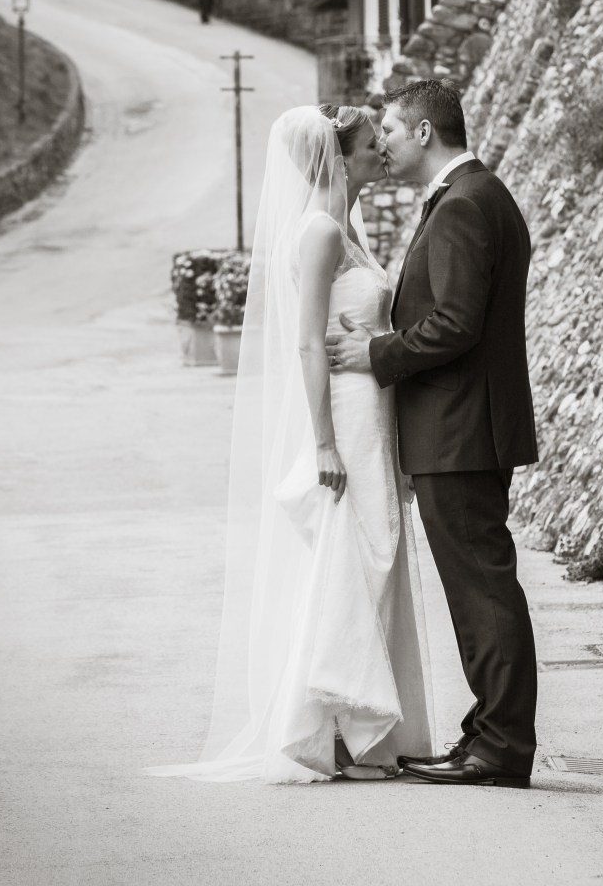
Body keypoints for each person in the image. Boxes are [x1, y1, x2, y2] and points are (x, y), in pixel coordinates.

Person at [146, 104, 434, 784]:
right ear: (341, 157)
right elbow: (306, 341)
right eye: (373, 143)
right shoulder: (320, 232)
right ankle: (331, 728)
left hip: (373, 410)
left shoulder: (345, 230)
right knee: (350, 559)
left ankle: (356, 727)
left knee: (374, 553)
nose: (382, 152)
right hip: (345, 417)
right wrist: (325, 445)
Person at [326, 79, 539, 788]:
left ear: (422, 132)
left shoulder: (465, 204)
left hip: (459, 430)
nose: (380, 141)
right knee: (481, 587)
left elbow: (453, 324)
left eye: (387, 127)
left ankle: (498, 748)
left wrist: (374, 355)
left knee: (481, 590)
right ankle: (487, 735)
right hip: (463, 427)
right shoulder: (476, 195)